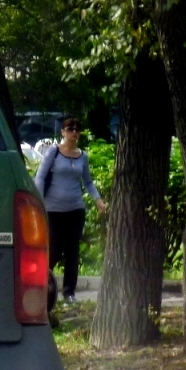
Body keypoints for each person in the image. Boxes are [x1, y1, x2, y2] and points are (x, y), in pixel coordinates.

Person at [34, 117, 107, 304]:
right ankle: (41, 284)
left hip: (75, 209)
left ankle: (69, 292)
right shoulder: (54, 152)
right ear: (63, 132)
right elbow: (40, 177)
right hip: (53, 210)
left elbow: (88, 182)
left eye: (77, 129)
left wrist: (98, 200)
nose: (74, 132)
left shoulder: (83, 156)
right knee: (55, 249)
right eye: (70, 128)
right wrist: (39, 202)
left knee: (72, 251)